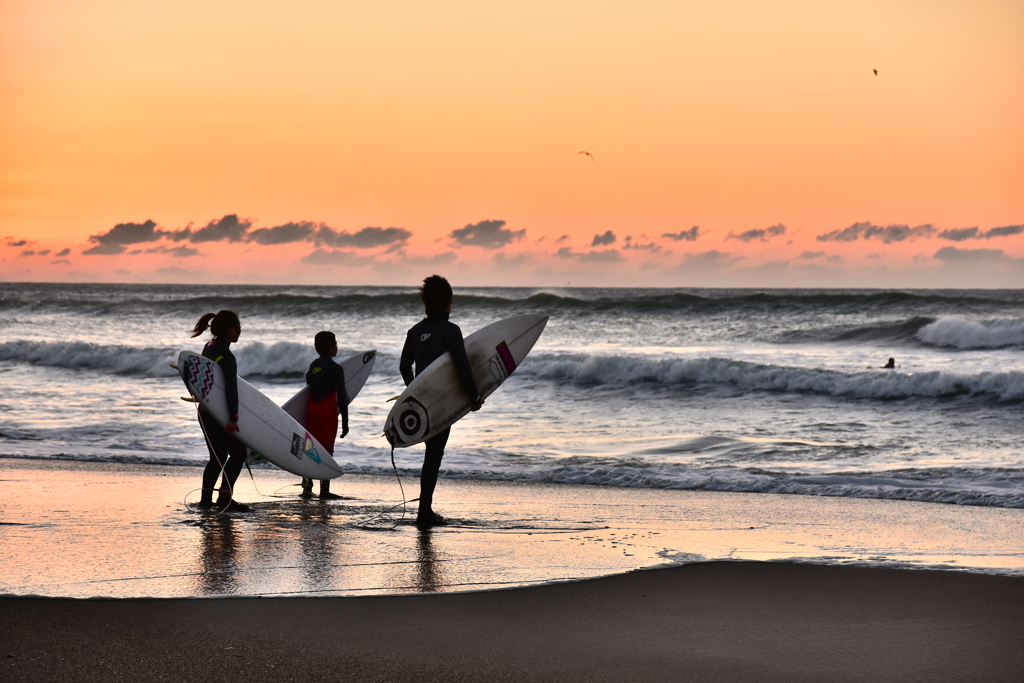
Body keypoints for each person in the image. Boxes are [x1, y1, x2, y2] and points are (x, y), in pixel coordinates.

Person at [399, 275, 484, 528]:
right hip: (442, 403)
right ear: (448, 303)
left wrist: (414, 393)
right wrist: (474, 396)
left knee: (431, 454)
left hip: (423, 403)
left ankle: (425, 510)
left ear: (426, 304)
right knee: (434, 455)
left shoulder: (414, 332)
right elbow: (462, 366)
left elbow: (405, 366)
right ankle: (424, 512)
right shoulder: (450, 330)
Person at [191, 310, 251, 512]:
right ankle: (225, 499)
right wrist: (233, 418)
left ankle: (205, 500)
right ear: (231, 330)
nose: (240, 333)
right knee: (238, 453)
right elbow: (230, 389)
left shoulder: (209, 346)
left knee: (217, 456)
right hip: (219, 414)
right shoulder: (227, 356)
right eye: (239, 329)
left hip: (205, 410)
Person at [299, 331, 349, 500]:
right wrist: (346, 422)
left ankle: (307, 487)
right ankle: (324, 490)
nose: (337, 346)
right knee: (326, 450)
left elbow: (308, 383)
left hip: (312, 410)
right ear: (331, 348)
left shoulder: (314, 365)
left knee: (309, 448)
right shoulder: (336, 369)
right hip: (327, 412)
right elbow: (342, 397)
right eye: (335, 343)